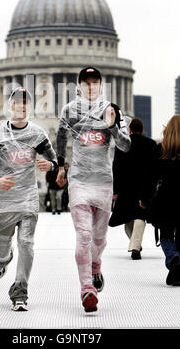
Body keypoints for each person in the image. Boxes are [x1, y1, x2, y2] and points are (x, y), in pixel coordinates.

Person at [56, 66, 131, 312]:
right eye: (86, 83)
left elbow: (125, 146)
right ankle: (87, 289)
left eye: (95, 82)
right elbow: (60, 139)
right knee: (84, 236)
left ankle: (96, 264)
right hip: (78, 180)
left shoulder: (112, 110)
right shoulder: (69, 111)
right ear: (79, 85)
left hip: (103, 182)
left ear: (101, 85)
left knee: (99, 239)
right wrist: (60, 167)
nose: (90, 87)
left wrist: (111, 125)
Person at [0, 87, 57, 311]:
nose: (21, 107)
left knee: (27, 243)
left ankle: (20, 292)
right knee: (1, 248)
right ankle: (2, 259)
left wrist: (51, 165)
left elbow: (54, 159)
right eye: (17, 103)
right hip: (3, 200)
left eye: (25, 103)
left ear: (29, 107)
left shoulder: (37, 134)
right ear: (10, 106)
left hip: (28, 199)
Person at [139, 115, 180, 286]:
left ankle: (173, 259)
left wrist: (144, 198)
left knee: (166, 235)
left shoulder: (159, 149)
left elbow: (149, 177)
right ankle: (176, 264)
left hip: (165, 198)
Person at [109, 118, 158, 259]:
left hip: (126, 187)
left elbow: (116, 168)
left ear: (129, 130)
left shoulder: (122, 145)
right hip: (144, 186)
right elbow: (155, 169)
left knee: (127, 219)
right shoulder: (151, 144)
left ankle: (135, 245)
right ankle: (135, 244)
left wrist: (116, 190)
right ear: (142, 130)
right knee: (140, 216)